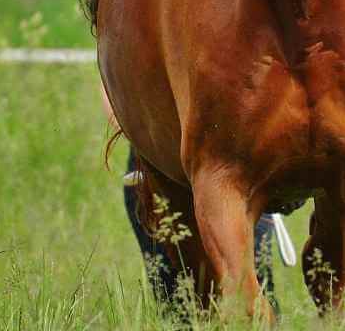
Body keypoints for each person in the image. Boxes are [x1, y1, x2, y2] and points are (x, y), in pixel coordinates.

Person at [102, 85, 293, 311]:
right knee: (179, 297)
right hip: (163, 163)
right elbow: (114, 89)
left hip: (235, 166)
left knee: (253, 283)